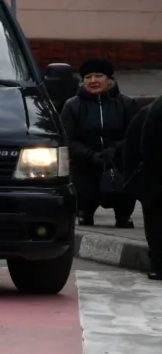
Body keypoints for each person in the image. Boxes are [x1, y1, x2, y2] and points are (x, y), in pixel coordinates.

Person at [60, 57, 139, 227]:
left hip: (117, 162)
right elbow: (68, 139)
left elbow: (134, 135)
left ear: (110, 79)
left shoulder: (126, 104)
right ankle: (84, 211)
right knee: (81, 178)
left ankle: (124, 214)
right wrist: (90, 155)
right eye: (88, 77)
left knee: (127, 174)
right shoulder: (72, 106)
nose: (93, 81)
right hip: (87, 163)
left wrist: (115, 149)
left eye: (98, 76)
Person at [121, 96, 162, 280]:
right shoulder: (156, 111)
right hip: (151, 172)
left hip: (149, 167)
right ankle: (158, 265)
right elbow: (149, 148)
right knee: (156, 217)